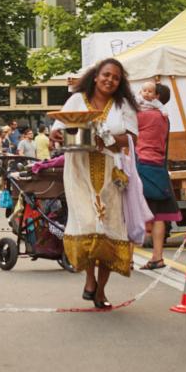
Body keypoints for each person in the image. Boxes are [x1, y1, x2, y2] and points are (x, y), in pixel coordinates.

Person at [50, 58, 139, 309]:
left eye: (116, 78)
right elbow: (59, 128)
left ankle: (100, 290)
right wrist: (54, 134)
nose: (110, 80)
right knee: (88, 223)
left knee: (108, 229)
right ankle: (89, 279)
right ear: (96, 75)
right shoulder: (77, 100)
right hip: (78, 171)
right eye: (106, 75)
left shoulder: (123, 106)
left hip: (111, 172)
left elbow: (132, 138)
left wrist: (107, 141)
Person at [136, 83, 180, 271]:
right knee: (159, 215)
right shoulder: (164, 117)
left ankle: (127, 259)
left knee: (132, 212)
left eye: (148, 92)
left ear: (155, 96)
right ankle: (157, 257)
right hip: (159, 167)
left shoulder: (142, 115)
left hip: (142, 166)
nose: (144, 94)